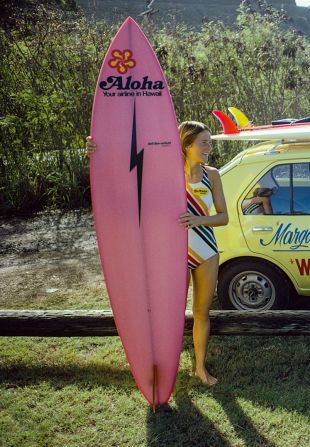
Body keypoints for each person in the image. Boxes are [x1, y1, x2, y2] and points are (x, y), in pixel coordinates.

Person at [86, 121, 228, 386]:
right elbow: (124, 172)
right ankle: (168, 371)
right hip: (173, 253)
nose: (209, 147)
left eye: (209, 142)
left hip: (206, 250)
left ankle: (199, 367)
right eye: (204, 142)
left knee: (201, 312)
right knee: (171, 315)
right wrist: (97, 152)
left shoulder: (213, 175)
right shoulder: (166, 172)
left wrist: (199, 221)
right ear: (187, 145)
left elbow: (223, 217)